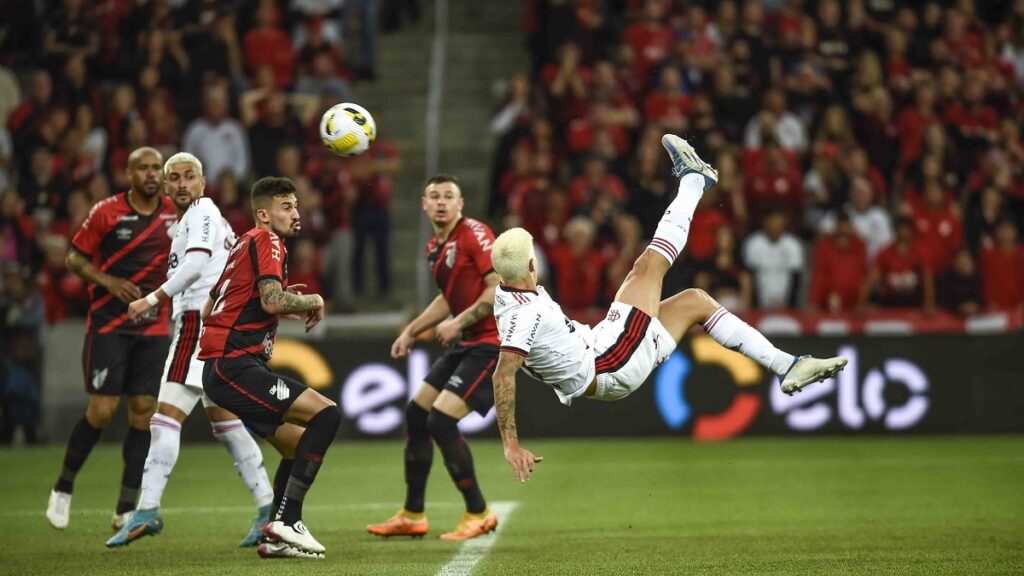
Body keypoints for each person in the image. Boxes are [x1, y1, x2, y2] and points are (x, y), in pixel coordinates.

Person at [490, 136, 849, 483]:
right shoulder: (524, 315)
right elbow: (504, 374)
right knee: (647, 266)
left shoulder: (505, 293)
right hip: (608, 361)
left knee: (695, 302)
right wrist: (510, 444)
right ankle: (695, 179)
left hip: (602, 350)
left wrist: (459, 322)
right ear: (532, 266)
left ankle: (788, 365)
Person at [105, 153, 273, 548]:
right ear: (165, 187)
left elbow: (197, 263)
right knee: (226, 424)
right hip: (218, 326)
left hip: (198, 324)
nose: (182, 184)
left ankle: (146, 509)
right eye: (174, 178)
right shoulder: (202, 218)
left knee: (164, 419)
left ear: (202, 183)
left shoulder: (200, 212)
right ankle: (267, 507)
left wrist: (151, 299)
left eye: (189, 177)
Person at [198, 176, 339, 559]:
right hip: (235, 365)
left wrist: (279, 304)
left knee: (295, 446)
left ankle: (275, 538)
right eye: (286, 207)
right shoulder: (266, 240)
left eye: (296, 205)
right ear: (264, 214)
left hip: (225, 367)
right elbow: (272, 301)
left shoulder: (243, 243)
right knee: (326, 416)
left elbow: (212, 308)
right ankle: (287, 520)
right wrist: (312, 298)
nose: (296, 213)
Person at [46, 147, 177, 530]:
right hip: (109, 325)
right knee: (102, 411)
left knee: (143, 412)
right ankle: (63, 487)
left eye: (157, 168)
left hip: (153, 327)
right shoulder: (106, 211)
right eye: (144, 168)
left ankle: (124, 508)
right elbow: (73, 258)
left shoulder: (175, 212)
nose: (151, 174)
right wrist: (108, 281)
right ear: (128, 173)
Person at [366, 174, 499, 541]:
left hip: (490, 343)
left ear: (461, 203)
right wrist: (412, 330)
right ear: (424, 205)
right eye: (434, 196)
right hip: (465, 343)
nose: (441, 202)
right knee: (417, 413)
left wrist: (458, 322)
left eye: (448, 196)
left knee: (441, 420)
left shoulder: (473, 232)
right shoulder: (435, 247)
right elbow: (447, 297)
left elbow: (495, 287)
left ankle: (478, 512)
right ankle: (413, 514)